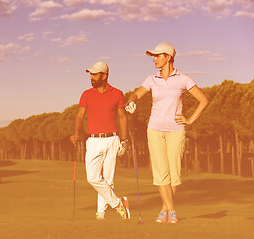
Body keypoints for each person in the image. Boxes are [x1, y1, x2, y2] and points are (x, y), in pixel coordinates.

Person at [125, 42, 208, 223]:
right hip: (154, 130)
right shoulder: (151, 79)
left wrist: (190, 120)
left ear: (168, 57)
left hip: (176, 130)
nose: (154, 59)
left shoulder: (183, 79)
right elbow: (136, 94)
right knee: (161, 172)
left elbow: (203, 100)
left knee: (174, 173)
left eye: (157, 55)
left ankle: (164, 210)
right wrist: (131, 101)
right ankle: (171, 211)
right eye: (153, 56)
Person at [70, 61, 130, 220]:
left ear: (104, 75)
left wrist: (124, 140)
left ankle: (101, 214)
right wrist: (76, 133)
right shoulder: (86, 94)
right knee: (92, 178)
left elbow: (123, 117)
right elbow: (79, 117)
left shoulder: (117, 93)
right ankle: (118, 204)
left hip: (112, 139)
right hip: (93, 140)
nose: (91, 77)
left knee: (108, 179)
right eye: (90, 74)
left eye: (95, 74)